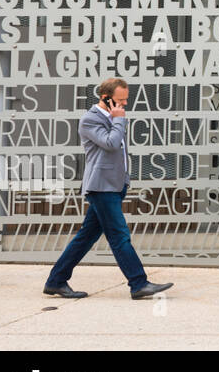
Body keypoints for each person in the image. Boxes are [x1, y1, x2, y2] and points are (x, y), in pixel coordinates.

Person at [43, 78, 174, 300]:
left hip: (114, 185)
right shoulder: (90, 120)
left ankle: (55, 281)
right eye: (120, 100)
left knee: (85, 237)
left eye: (126, 100)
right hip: (101, 187)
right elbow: (111, 143)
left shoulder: (114, 118)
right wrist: (119, 120)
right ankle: (138, 283)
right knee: (119, 235)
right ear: (105, 97)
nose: (124, 105)